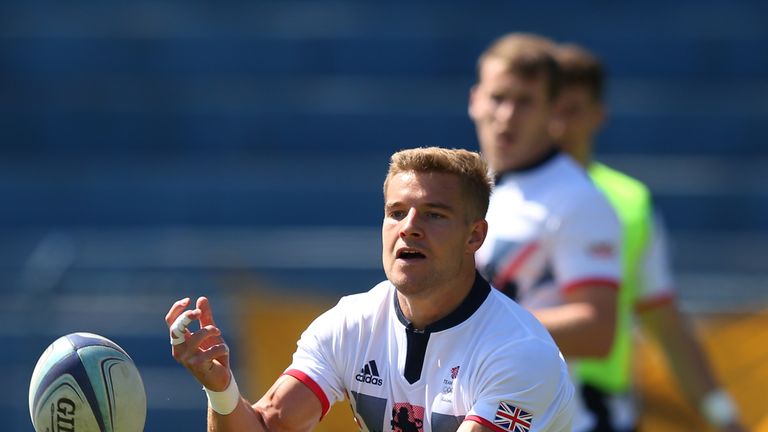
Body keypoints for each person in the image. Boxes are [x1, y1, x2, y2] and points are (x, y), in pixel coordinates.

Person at [165, 147, 575, 431]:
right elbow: (271, 426)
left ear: (474, 236)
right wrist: (221, 390)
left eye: (433, 214)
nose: (409, 227)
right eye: (396, 212)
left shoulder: (519, 351)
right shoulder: (351, 323)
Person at [551, 42, 744, 432]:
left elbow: (665, 322)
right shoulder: (491, 196)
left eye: (571, 111)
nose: (558, 126)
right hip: (510, 400)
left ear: (598, 116)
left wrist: (722, 416)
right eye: (549, 110)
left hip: (601, 407)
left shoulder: (629, 202)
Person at [469, 33, 623, 432]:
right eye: (498, 97)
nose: (506, 114)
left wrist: (469, 323)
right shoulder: (469, 187)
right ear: (474, 100)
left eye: (525, 102)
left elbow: (597, 330)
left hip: (541, 420)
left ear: (552, 113)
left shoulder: (577, 199)